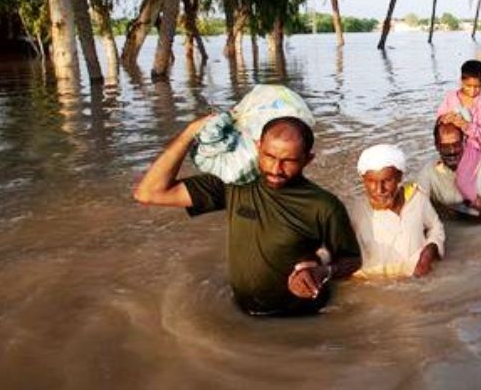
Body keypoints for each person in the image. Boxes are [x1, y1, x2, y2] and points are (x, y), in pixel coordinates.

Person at [133, 116, 361, 316]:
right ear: (257, 147)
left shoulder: (323, 205)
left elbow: (351, 260)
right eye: (269, 156)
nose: (276, 169)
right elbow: (149, 193)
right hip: (244, 312)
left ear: (307, 160)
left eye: (289, 161)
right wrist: (189, 132)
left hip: (302, 318)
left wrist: (321, 271)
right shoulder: (235, 184)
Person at [350, 144, 445, 278]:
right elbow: (336, 247)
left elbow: (435, 227)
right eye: (371, 181)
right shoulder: (357, 210)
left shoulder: (417, 199)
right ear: (363, 180)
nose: (379, 190)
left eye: (387, 180)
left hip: (415, 277)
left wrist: (429, 252)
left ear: (399, 177)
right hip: (373, 281)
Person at [418, 121, 481, 220]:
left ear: (464, 142)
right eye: (445, 146)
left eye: (456, 144)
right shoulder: (429, 171)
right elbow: (418, 203)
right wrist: (443, 211)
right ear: (437, 146)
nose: (452, 151)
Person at [436, 60, 481, 206]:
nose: (473, 91)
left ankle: (475, 201)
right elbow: (440, 116)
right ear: (461, 81)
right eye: (469, 86)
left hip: (472, 146)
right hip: (453, 143)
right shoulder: (451, 97)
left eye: (477, 87)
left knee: (463, 179)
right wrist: (445, 118)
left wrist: (467, 126)